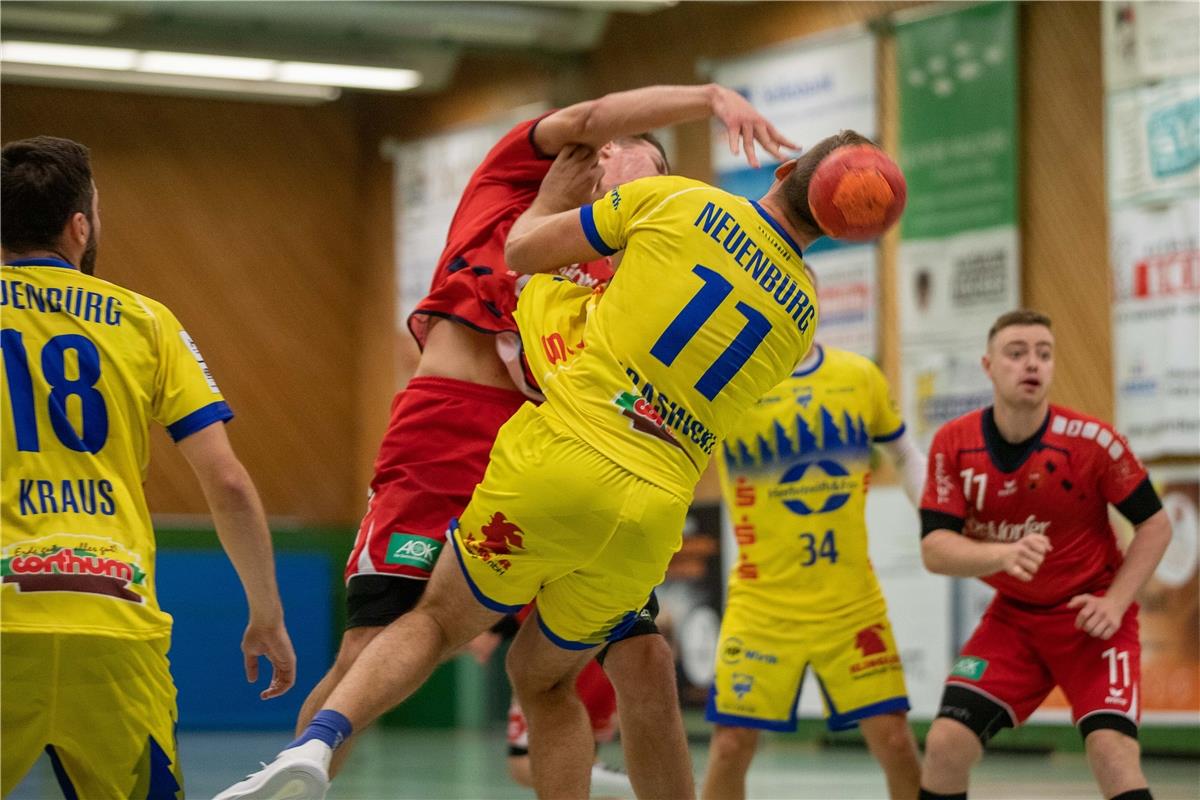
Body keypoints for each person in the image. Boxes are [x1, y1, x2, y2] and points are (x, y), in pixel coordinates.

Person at [216, 128, 889, 800]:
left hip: (560, 460)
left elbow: (521, 247)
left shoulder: (676, 204)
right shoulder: (803, 310)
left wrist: (547, 201)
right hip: (651, 512)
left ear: (788, 166)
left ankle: (316, 745)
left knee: (438, 620)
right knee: (545, 677)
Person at [1, 136, 296, 799]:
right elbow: (226, 480)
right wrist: (267, 613)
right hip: (113, 618)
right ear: (79, 226)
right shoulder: (145, 321)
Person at [917, 310, 1172, 800]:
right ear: (988, 366)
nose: (1031, 363)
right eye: (1016, 353)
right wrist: (1001, 555)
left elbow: (1156, 525)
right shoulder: (954, 443)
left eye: (1043, 353)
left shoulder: (1094, 441)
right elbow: (934, 549)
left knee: (1112, 752)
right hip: (1014, 623)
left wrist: (1116, 603)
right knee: (946, 742)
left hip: (1091, 620)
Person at [700, 333, 926, 800]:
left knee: (896, 740)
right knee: (728, 746)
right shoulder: (724, 382)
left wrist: (938, 518)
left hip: (850, 603)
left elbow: (904, 453)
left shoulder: (857, 375)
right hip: (763, 605)